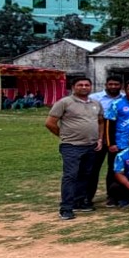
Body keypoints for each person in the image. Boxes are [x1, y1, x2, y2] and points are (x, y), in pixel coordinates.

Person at [45, 76, 105, 219]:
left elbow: (101, 122)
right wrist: (63, 136)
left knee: (85, 175)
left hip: (91, 146)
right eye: (80, 85)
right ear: (73, 87)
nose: (84, 87)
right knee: (70, 176)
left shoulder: (96, 103)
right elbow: (50, 123)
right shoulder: (65, 103)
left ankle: (80, 202)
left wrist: (100, 139)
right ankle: (66, 208)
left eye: (86, 85)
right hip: (71, 146)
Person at [89, 76, 123, 204]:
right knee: (93, 169)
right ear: (106, 85)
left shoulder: (124, 99)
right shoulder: (94, 98)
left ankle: (112, 195)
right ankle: (88, 196)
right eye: (111, 84)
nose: (113, 87)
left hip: (115, 139)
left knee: (113, 168)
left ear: (121, 86)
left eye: (116, 84)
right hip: (98, 139)